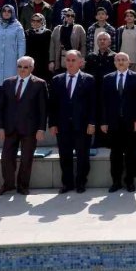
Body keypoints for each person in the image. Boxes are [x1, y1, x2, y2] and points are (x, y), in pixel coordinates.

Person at [0, 56, 47, 196]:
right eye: (20, 67)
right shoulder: (7, 83)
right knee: (6, 158)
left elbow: (43, 109)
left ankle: (23, 186)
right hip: (10, 128)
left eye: (26, 67)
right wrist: (0, 127)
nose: (22, 70)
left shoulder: (39, 84)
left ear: (32, 68)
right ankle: (8, 184)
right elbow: (1, 107)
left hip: (30, 128)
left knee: (26, 158)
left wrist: (41, 129)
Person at [49, 50, 96, 194]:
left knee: (82, 155)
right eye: (67, 60)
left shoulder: (88, 79)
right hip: (62, 125)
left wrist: (92, 123)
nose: (70, 63)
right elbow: (52, 104)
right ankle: (67, 183)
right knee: (65, 155)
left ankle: (81, 182)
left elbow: (93, 104)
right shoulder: (56, 80)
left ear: (80, 62)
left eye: (73, 60)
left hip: (82, 125)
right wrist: (52, 124)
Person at [100, 52, 136, 193]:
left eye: (123, 59)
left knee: (131, 153)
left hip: (131, 122)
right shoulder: (107, 79)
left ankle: (130, 181)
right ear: (114, 62)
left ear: (129, 62)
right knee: (115, 153)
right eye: (118, 60)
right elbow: (103, 103)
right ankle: (116, 181)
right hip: (113, 122)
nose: (120, 62)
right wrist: (103, 121)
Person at [0, 4, 25, 86]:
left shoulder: (18, 26)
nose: (6, 13)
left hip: (11, 58)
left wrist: (21, 59)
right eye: (4, 11)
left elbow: (21, 43)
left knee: (10, 82)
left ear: (13, 13)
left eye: (9, 11)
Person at [50, 8, 85, 74]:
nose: (70, 17)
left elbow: (83, 45)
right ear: (63, 16)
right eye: (68, 15)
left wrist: (82, 58)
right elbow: (52, 46)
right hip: (60, 59)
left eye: (72, 15)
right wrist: (51, 61)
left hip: (74, 58)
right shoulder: (57, 29)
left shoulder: (79, 28)